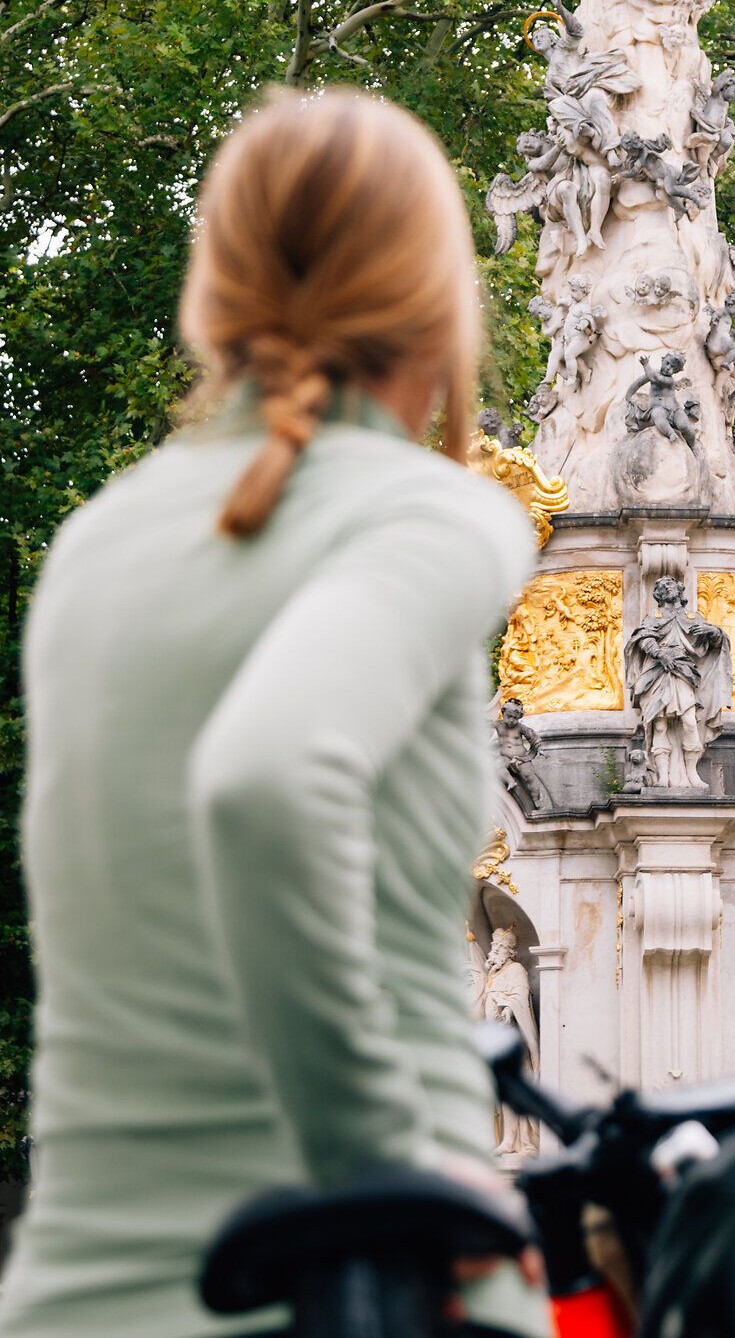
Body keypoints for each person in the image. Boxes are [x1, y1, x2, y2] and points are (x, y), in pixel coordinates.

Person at [1, 88, 547, 1338]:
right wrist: (381, 1165)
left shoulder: (93, 545)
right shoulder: (431, 515)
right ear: (440, 306)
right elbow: (265, 779)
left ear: (217, 296)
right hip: (364, 1293)